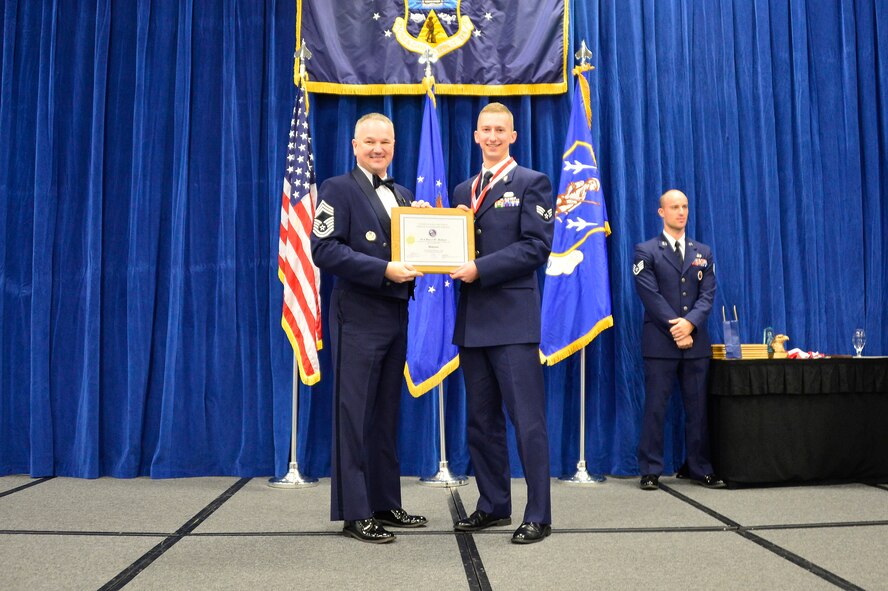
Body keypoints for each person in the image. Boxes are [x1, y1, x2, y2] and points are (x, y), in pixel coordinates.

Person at [311, 113, 427, 543]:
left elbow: (416, 251)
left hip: (396, 313)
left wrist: (428, 230)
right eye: (370, 142)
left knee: (384, 414)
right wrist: (383, 270)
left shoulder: (403, 194)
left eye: (386, 142)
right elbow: (324, 249)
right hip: (358, 313)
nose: (378, 149)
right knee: (354, 415)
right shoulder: (337, 189)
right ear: (354, 145)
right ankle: (355, 512)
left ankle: (385, 502)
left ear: (394, 146)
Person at [449, 102, 555, 544]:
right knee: (481, 422)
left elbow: (536, 247)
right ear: (475, 136)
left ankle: (539, 514)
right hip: (473, 322)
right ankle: (493, 505)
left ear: (512, 135)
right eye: (485, 130)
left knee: (527, 422)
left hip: (512, 322)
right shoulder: (461, 189)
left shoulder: (532, 182)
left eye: (500, 130)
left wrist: (481, 269)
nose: (492, 137)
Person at [632, 189, 723, 490]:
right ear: (662, 212)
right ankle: (650, 469)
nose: (681, 212)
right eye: (674, 207)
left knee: (697, 409)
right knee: (656, 408)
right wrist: (676, 327)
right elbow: (650, 295)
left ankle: (698, 466)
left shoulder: (703, 252)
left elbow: (707, 295)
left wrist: (690, 325)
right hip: (661, 342)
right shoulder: (646, 250)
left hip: (695, 343)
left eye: (684, 206)